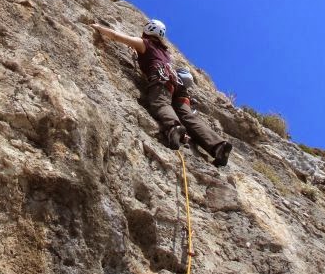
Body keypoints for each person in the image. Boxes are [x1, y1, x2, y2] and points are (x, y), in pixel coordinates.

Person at [91, 19, 232, 167]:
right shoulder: (165, 52)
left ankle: (174, 128)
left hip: (162, 81)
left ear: (147, 30)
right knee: (187, 116)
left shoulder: (144, 43)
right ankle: (218, 146)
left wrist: (96, 26)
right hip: (179, 86)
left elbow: (115, 36)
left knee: (161, 103)